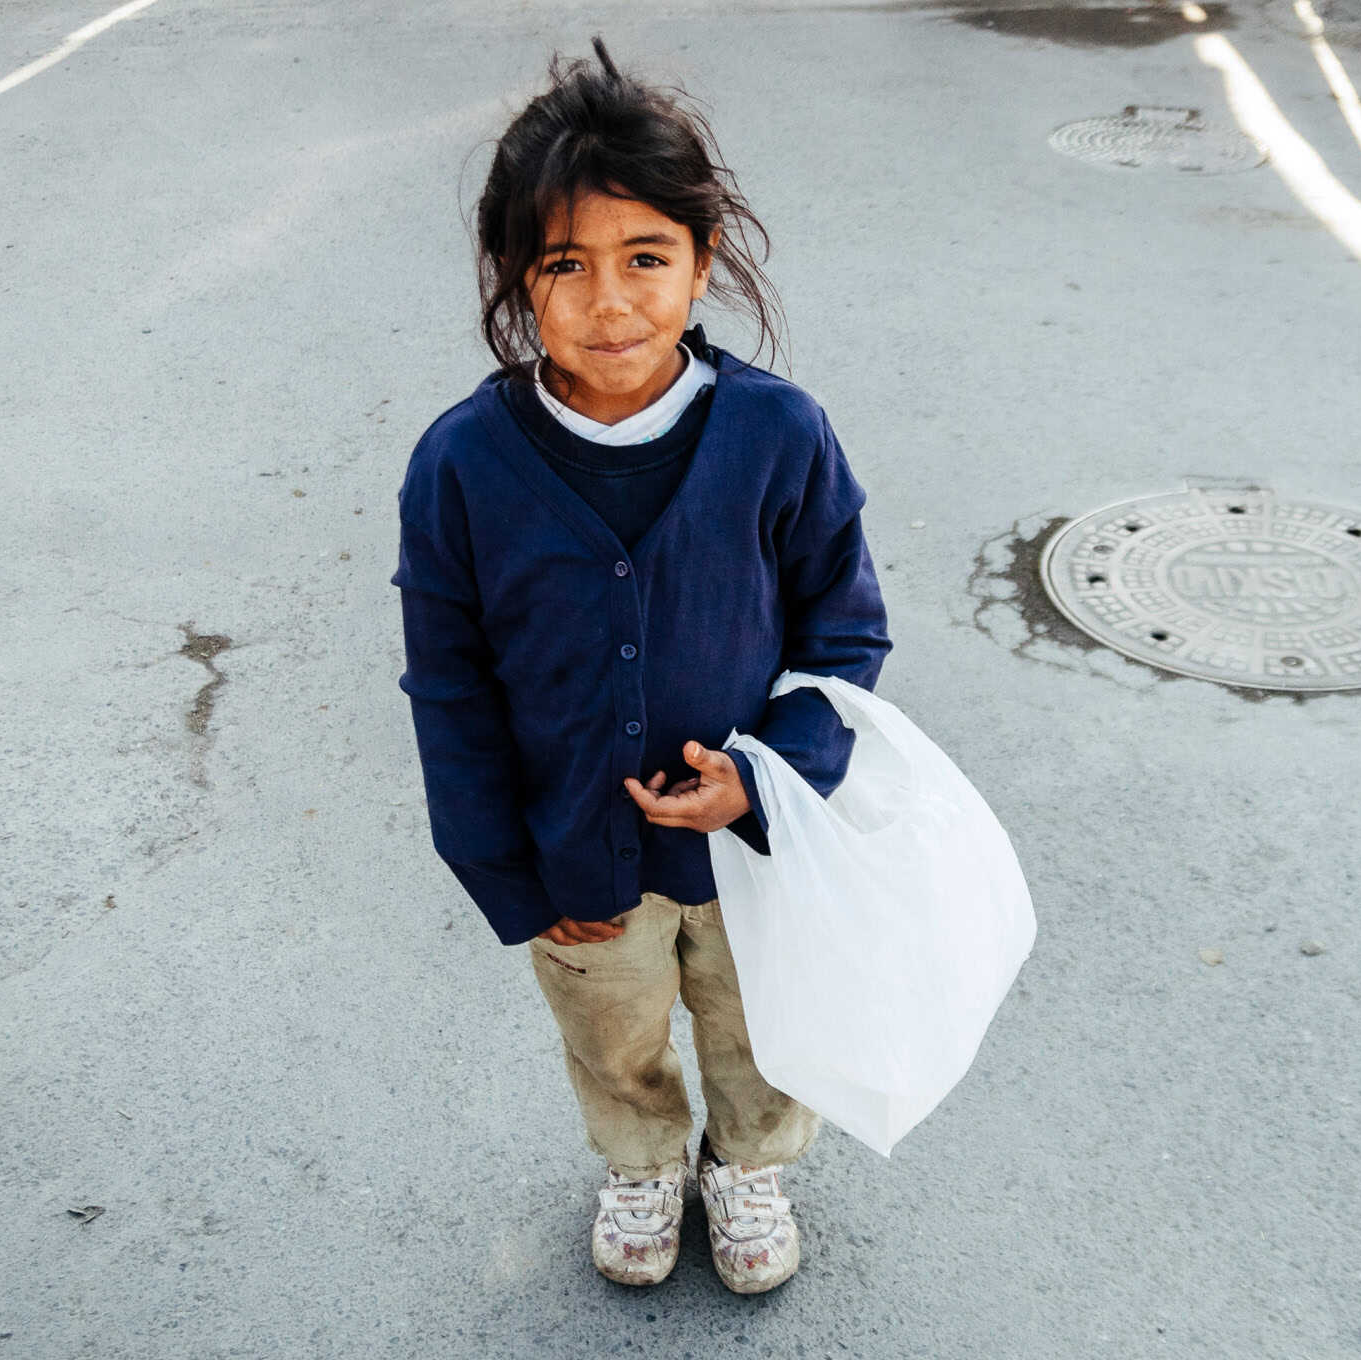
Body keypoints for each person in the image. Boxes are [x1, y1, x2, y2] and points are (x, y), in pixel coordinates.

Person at [391, 37, 890, 1295]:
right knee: (611, 1039)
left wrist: (772, 779)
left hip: (747, 853)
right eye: (564, 265)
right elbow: (446, 686)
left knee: (755, 1031)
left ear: (702, 263)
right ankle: (642, 1158)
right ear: (515, 277)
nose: (609, 302)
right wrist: (506, 871)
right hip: (574, 866)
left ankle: (748, 1161)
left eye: (645, 259)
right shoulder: (459, 468)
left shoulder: (777, 435)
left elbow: (843, 632)